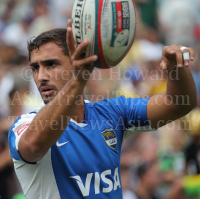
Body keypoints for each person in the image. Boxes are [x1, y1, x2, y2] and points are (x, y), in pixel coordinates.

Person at [8, 20, 197, 199]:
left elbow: (178, 103)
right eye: (35, 67)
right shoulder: (24, 125)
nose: (41, 76)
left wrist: (176, 68)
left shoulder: (111, 113)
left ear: (77, 61)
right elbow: (33, 146)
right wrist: (78, 80)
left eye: (51, 64)